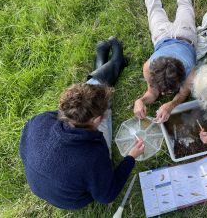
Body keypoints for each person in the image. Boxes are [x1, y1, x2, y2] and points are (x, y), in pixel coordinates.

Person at [19, 37, 145, 209]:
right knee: (102, 102)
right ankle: (115, 63)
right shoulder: (94, 154)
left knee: (93, 98)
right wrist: (131, 157)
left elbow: (24, 150)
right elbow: (107, 195)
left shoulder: (40, 120)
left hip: (40, 185)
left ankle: (105, 63)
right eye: (101, 115)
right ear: (95, 120)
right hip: (71, 199)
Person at [131, 0, 197, 123]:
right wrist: (139, 101)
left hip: (183, 35)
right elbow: (152, 92)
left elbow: (183, 93)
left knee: (181, 4)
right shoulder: (148, 67)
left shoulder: (191, 73)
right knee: (156, 9)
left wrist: (171, 104)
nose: (162, 92)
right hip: (170, 36)